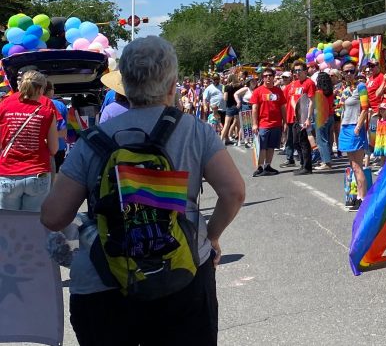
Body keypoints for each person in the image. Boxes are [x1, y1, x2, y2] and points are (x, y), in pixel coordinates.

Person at [41, 36, 245, 345]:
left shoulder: (92, 139)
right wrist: (211, 236)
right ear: (172, 83)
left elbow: (54, 216)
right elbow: (233, 192)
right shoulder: (195, 130)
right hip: (182, 274)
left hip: (102, 283)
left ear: (123, 82)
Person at [0, 70, 58, 211]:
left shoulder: (4, 106)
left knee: (7, 226)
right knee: (33, 225)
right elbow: (54, 148)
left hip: (8, 172)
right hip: (38, 172)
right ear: (40, 89)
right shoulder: (47, 112)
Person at [338, 65, 370, 208]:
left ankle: (362, 198)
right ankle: (357, 195)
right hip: (345, 128)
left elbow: (365, 108)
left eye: (352, 71)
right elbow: (342, 111)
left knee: (358, 166)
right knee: (352, 165)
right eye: (347, 71)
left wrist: (358, 126)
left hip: (354, 128)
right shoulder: (344, 89)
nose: (350, 73)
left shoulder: (361, 86)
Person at [250, 68, 288, 177]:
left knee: (271, 146)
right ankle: (260, 167)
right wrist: (254, 123)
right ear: (263, 77)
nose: (268, 77)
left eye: (270, 75)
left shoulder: (278, 91)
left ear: (273, 77)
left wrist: (285, 122)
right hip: (263, 124)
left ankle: (267, 165)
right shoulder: (258, 91)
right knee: (262, 147)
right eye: (265, 76)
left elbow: (282, 107)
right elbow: (254, 108)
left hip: (276, 124)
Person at [284, 62, 315, 171]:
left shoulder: (309, 83)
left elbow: (311, 101)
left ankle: (307, 167)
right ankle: (302, 164)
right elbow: (293, 100)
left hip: (304, 118)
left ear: (305, 71)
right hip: (295, 118)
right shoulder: (294, 84)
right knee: (296, 142)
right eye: (295, 70)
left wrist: (308, 118)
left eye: (299, 70)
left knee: (304, 143)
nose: (297, 72)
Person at [45, 80, 69, 171]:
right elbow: (65, 130)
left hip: (41, 149)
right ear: (50, 90)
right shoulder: (60, 105)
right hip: (59, 147)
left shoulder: (34, 104)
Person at [221, 73, 242, 146]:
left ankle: (221, 140)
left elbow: (225, 98)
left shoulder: (227, 87)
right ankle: (239, 141)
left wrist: (223, 93)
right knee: (239, 124)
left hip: (230, 106)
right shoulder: (240, 86)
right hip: (238, 106)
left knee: (226, 124)